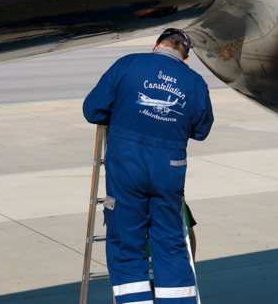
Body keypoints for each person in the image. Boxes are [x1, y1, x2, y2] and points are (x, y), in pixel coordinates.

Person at [83, 28, 213, 304]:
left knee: (126, 244)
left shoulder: (128, 64)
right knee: (170, 244)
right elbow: (202, 130)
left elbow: (92, 110)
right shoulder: (194, 81)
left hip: (127, 168)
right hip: (169, 169)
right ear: (185, 57)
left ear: (157, 45)